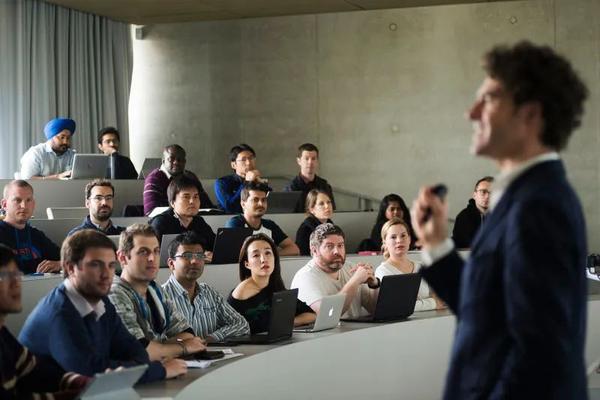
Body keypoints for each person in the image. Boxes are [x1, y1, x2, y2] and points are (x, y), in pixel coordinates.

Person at [411, 42, 588, 399]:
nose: (471, 113)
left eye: (488, 99)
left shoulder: (540, 206)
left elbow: (540, 358)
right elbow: (487, 313)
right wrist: (437, 246)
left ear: (530, 114)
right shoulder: (521, 198)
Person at [19, 230, 180, 382]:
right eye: (96, 265)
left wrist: (119, 369)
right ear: (70, 268)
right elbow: (89, 373)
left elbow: (137, 353)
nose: (106, 274)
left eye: (111, 265)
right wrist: (159, 370)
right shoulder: (60, 313)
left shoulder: (102, 302)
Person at [0, 244, 91, 399]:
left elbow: (37, 372)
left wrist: (86, 383)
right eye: (3, 276)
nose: (16, 283)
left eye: (16, 274)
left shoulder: (3, 335)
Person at [109, 224, 207, 362]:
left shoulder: (155, 289)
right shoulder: (114, 293)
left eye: (156, 251)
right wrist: (182, 347)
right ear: (122, 257)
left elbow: (187, 334)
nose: (152, 258)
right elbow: (138, 351)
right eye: (143, 252)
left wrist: (159, 349)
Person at [162, 232, 250, 341]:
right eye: (187, 256)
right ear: (171, 263)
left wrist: (212, 338)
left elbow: (241, 324)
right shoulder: (160, 296)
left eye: (199, 256)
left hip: (213, 351)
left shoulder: (209, 293)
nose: (194, 261)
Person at [227, 233, 315, 333]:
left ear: (274, 258)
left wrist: (289, 322)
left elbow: (311, 315)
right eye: (256, 255)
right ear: (247, 264)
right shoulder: (242, 292)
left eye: (268, 253)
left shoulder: (275, 286)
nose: (263, 259)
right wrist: (284, 322)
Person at [291, 223, 379, 318]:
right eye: (329, 246)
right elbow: (326, 314)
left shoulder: (351, 268)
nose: (337, 251)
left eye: (340, 245)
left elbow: (374, 309)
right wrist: (355, 281)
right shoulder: (305, 277)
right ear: (314, 250)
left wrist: (374, 284)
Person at [374, 218, 444, 312]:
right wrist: (432, 303)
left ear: (409, 239)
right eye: (393, 237)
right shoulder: (382, 271)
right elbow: (397, 306)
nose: (399, 240)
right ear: (385, 242)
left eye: (403, 235)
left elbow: (440, 298)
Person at [149, 175, 216, 261]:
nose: (192, 201)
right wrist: (198, 256)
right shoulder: (160, 223)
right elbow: (152, 256)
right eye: (186, 197)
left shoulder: (199, 222)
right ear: (173, 202)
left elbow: (215, 248)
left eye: (195, 197)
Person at [0, 180, 61, 274]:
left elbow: (66, 258)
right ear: (4, 204)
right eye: (17, 200)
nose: (24, 206)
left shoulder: (36, 235)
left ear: (33, 204)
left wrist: (59, 264)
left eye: (28, 200)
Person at [226, 181, 299, 256]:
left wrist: (270, 256)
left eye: (263, 200)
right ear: (243, 204)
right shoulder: (235, 224)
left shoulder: (269, 225)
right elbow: (235, 255)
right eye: (255, 200)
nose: (261, 204)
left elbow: (294, 248)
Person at [143, 144, 214, 215]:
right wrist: (182, 211)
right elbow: (151, 212)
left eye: (180, 159)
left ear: (185, 162)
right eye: (171, 159)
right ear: (163, 161)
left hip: (194, 218)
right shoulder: (154, 179)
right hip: (166, 220)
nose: (176, 162)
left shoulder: (190, 177)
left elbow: (207, 205)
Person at [284, 143, 335, 212]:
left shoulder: (324, 186)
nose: (310, 162)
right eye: (306, 158)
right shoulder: (290, 188)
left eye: (313, 159)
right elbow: (287, 215)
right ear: (299, 161)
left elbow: (331, 211)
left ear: (317, 161)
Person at [214, 143, 264, 214]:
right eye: (243, 159)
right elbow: (231, 207)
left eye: (251, 158)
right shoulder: (222, 183)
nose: (249, 163)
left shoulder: (258, 181)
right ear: (233, 165)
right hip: (229, 219)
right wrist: (247, 182)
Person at [452, 176, 494, 248]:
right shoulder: (463, 217)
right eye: (483, 192)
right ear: (474, 195)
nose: (487, 196)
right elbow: (459, 244)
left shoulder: (502, 216)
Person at [295, 189, 334, 256]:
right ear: (312, 209)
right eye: (321, 204)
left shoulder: (331, 225)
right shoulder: (305, 230)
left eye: (329, 202)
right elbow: (303, 256)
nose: (327, 206)